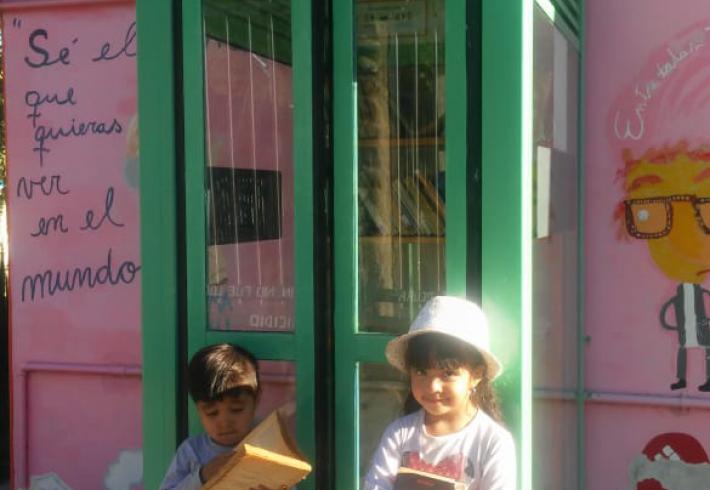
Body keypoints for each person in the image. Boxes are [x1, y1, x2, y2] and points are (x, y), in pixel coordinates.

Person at [363, 296, 516, 490]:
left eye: (448, 373)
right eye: (421, 372)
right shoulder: (399, 434)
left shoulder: (493, 442)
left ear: (476, 375)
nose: (433, 386)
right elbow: (376, 485)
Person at [159, 343, 286, 490]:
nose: (225, 422)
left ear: (256, 399)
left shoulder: (269, 451)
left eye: (236, 410)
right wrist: (201, 476)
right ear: (198, 409)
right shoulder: (192, 452)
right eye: (212, 413)